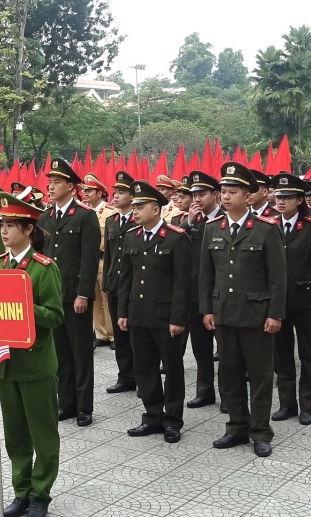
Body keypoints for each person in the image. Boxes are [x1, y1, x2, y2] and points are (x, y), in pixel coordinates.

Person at [198, 162, 285, 458]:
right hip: (224, 313)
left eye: (232, 192)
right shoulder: (212, 229)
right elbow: (206, 273)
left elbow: (278, 277)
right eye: (223, 191)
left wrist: (275, 313)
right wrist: (206, 309)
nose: (225, 197)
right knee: (229, 373)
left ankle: (260, 431)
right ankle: (236, 425)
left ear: (248, 196)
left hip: (256, 315)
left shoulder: (266, 229)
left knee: (260, 375)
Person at [0, 191, 64, 517]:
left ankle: (40, 495)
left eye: (11, 225)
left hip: (35, 364)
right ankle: (21, 492)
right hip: (5, 364)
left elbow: (54, 315)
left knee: (43, 435)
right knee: (15, 435)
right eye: (2, 225)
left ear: (28, 229)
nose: (4, 231)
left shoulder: (43, 268)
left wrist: (23, 306)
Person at [116, 181, 192, 444]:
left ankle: (172, 420)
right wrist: (123, 312)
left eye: (141, 206)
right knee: (144, 368)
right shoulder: (131, 237)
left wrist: (178, 318)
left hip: (165, 316)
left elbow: (183, 282)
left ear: (156, 209)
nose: (135, 211)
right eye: (134, 206)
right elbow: (126, 278)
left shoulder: (176, 237)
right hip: (138, 313)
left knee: (172, 368)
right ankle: (152, 415)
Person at [40, 157, 101, 427]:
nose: (51, 188)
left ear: (71, 187)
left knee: (81, 352)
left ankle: (84, 406)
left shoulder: (85, 216)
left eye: (56, 183)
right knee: (60, 352)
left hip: (75, 295)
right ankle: (66, 402)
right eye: (49, 183)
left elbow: (89, 259)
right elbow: (43, 257)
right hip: (53, 296)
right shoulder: (46, 216)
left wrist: (84, 294)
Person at [270, 173, 311, 425]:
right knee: (281, 356)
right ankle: (287, 404)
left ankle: (307, 405)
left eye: (287, 197)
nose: (280, 202)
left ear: (300, 200)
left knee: (309, 354)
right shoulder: (270, 224)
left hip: (305, 300)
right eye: (278, 197)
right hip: (278, 302)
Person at [182, 170, 222, 409]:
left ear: (215, 195)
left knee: (227, 351)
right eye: (194, 194)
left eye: (202, 194)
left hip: (221, 293)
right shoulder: (187, 221)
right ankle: (205, 391)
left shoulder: (228, 218)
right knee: (200, 347)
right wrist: (188, 222)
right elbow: (172, 239)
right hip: (196, 294)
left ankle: (228, 395)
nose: (197, 199)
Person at [100, 170, 138, 396]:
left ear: (132, 196)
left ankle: (141, 376)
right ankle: (125, 376)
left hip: (135, 285)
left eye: (121, 192)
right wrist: (106, 284)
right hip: (115, 284)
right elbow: (109, 255)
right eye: (114, 191)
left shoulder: (139, 219)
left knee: (136, 335)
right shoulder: (112, 221)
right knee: (120, 334)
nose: (115, 195)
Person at [82, 173, 116, 349]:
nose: (85, 194)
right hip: (90, 261)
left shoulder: (110, 212)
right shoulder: (85, 212)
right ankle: (101, 333)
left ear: (100, 193)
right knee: (94, 298)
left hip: (104, 259)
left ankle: (112, 335)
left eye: (89, 191)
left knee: (106, 297)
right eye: (84, 191)